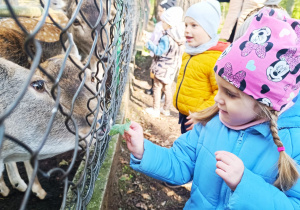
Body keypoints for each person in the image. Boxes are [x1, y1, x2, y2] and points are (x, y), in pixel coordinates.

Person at [123, 7, 300, 209]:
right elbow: (180, 161)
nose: (217, 98)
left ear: (266, 103)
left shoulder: (293, 144)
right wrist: (143, 150)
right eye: (220, 89)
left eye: (230, 94)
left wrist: (245, 186)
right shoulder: (213, 123)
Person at [172, 0, 230, 134]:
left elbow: (220, 93)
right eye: (186, 25)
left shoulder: (215, 59)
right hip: (186, 114)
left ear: (209, 28)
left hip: (200, 119)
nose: (187, 30)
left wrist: (202, 115)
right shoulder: (189, 53)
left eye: (194, 25)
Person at [144, 6, 185, 118]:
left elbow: (159, 51)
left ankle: (156, 109)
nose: (161, 23)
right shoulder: (179, 37)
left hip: (162, 67)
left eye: (163, 21)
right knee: (167, 88)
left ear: (169, 24)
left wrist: (148, 44)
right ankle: (166, 109)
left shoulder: (166, 38)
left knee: (157, 87)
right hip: (171, 69)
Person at [144, 0, 179, 95]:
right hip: (156, 53)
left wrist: (149, 44)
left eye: (161, 11)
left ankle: (160, 95)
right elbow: (155, 36)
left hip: (160, 56)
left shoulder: (166, 28)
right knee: (153, 74)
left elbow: (162, 44)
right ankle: (153, 89)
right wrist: (148, 36)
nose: (159, 13)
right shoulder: (160, 24)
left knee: (160, 79)